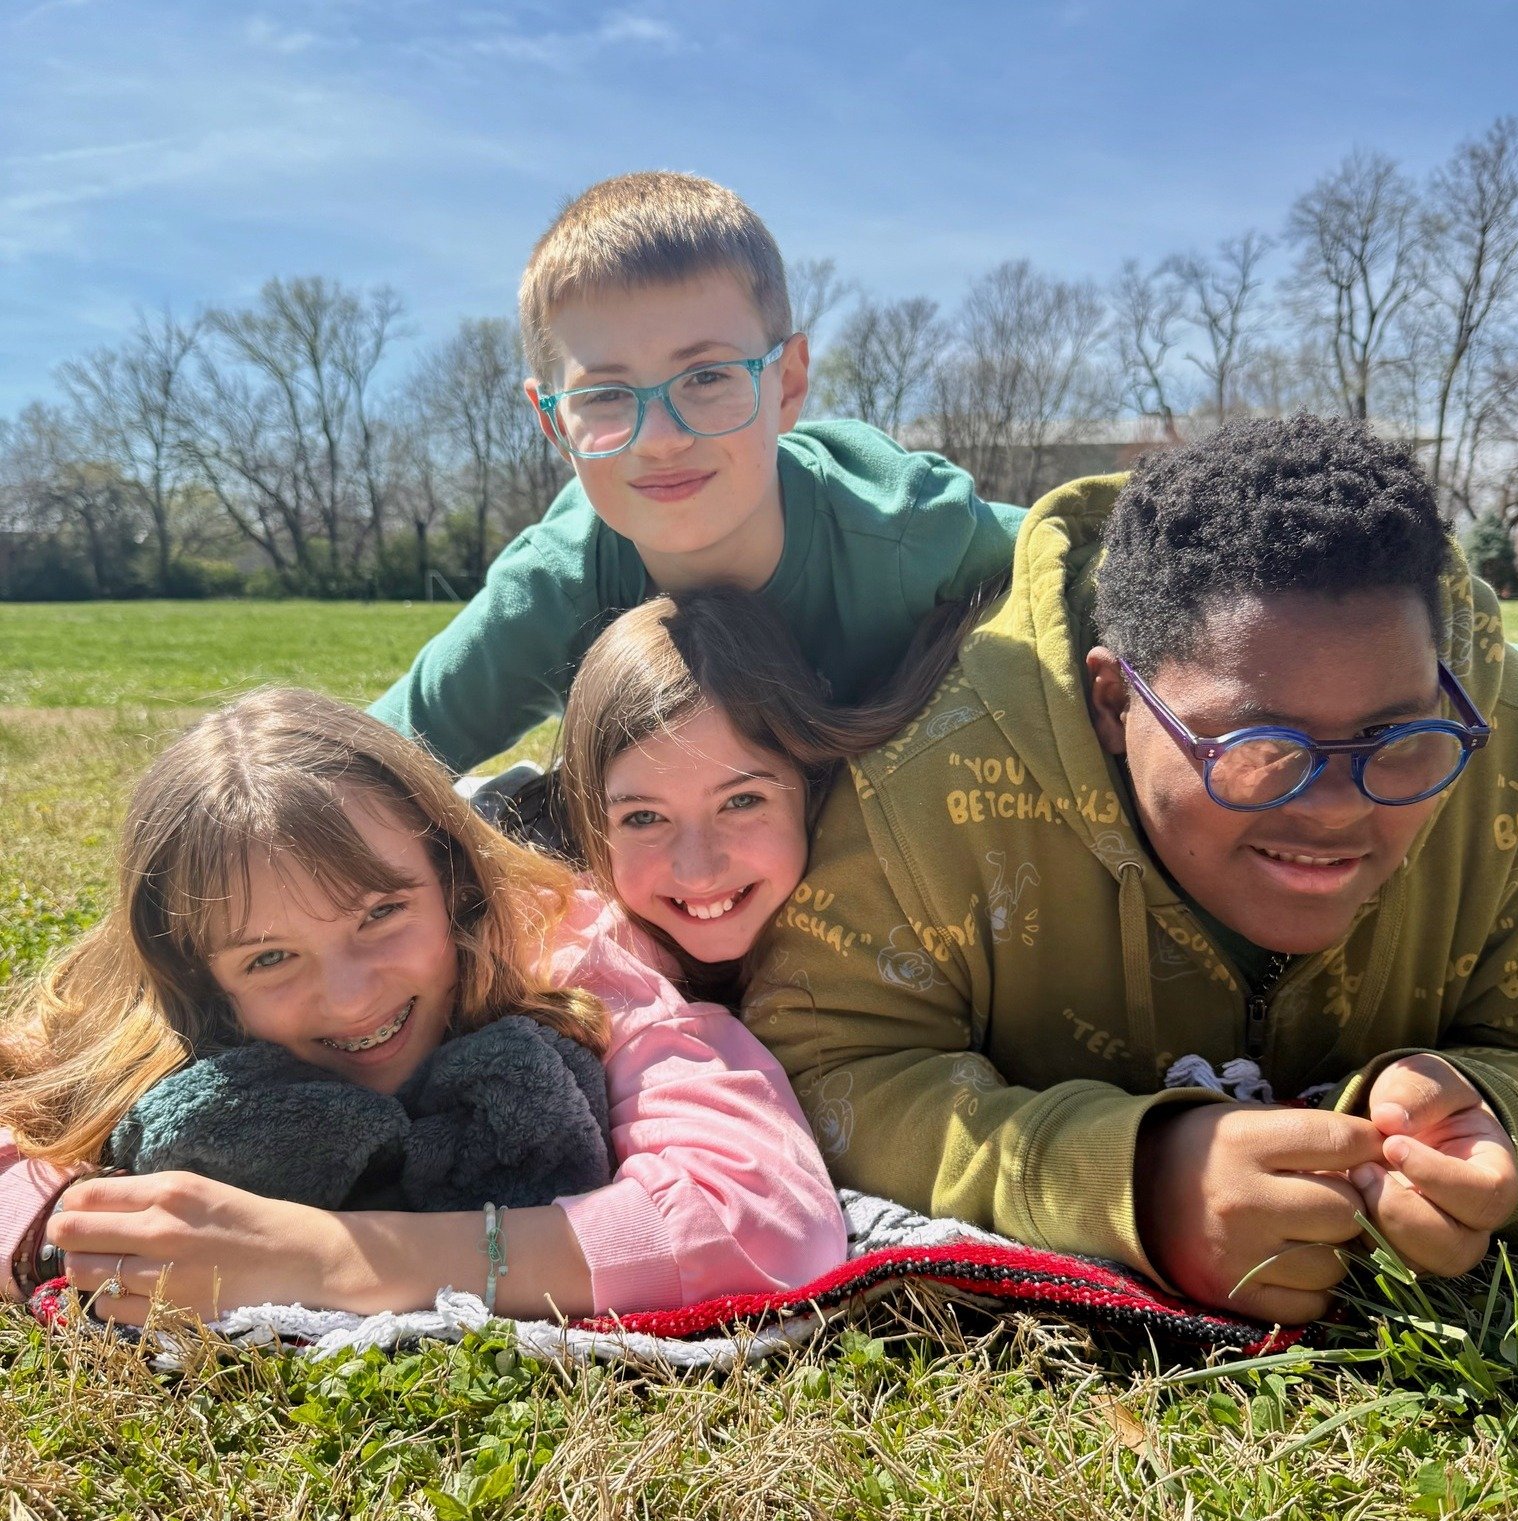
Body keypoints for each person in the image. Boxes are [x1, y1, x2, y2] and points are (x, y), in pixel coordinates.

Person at [744, 414, 1518, 1326]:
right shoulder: (926, 782)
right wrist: (1134, 1180)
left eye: (1398, 739)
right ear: (1114, 700)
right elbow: (823, 1059)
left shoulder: (1515, 751)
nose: (1337, 807)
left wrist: (1496, 1119)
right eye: (1256, 743)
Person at [0, 689, 846, 1325]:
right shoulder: (164, 1002)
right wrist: (64, 1224)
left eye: (381, 914)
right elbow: (31, 1114)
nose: (351, 992)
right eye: (270, 958)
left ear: (454, 883)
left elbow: (767, 1223)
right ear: (200, 980)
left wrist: (330, 1258)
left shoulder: (570, 956)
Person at [369, 171, 1026, 776]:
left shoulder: (907, 528)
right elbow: (368, 766)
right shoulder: (556, 586)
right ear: (555, 426)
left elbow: (1095, 560)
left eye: (708, 377)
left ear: (788, 384)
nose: (660, 439)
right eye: (604, 394)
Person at [558, 586, 966, 1002]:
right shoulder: (572, 960)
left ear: (811, 781)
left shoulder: (896, 911)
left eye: (740, 801)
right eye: (644, 817)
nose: (699, 872)